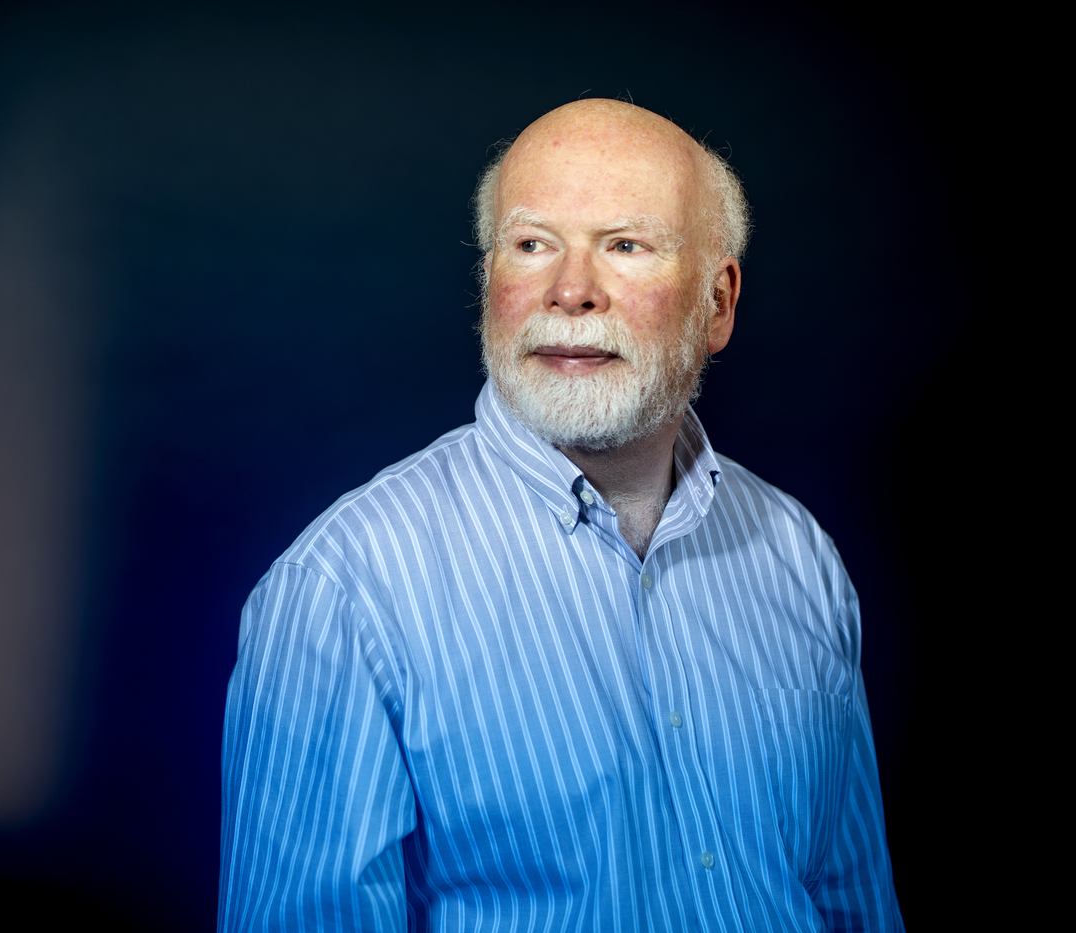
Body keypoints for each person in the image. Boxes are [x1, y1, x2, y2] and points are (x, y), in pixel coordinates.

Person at [218, 99, 903, 931]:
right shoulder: (343, 594)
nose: (570, 291)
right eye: (533, 243)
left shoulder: (797, 556)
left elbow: (852, 898)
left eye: (624, 245)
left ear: (717, 304)